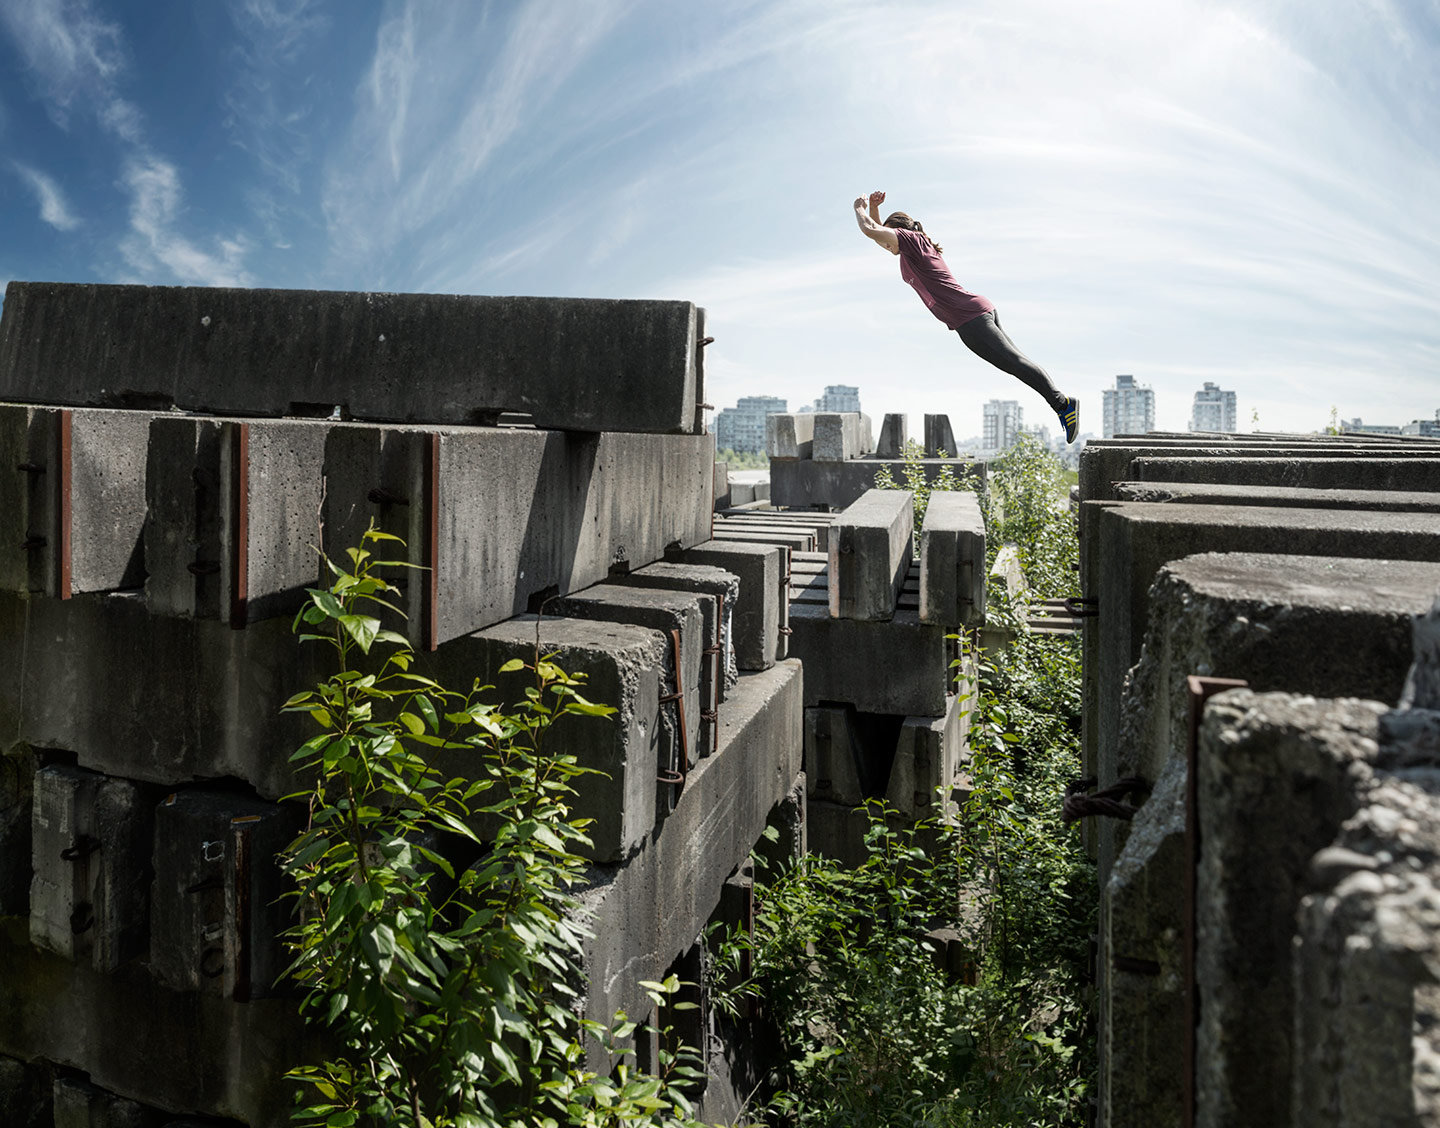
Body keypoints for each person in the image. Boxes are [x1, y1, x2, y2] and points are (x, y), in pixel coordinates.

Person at [853, 190, 1079, 443]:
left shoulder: (911, 240)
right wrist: (874, 209)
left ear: (899, 231)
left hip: (969, 316)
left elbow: (871, 231)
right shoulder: (911, 249)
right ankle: (1062, 403)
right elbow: (878, 236)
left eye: (889, 235)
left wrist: (859, 209)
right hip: (972, 314)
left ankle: (1063, 404)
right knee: (1015, 363)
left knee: (1015, 363)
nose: (886, 244)